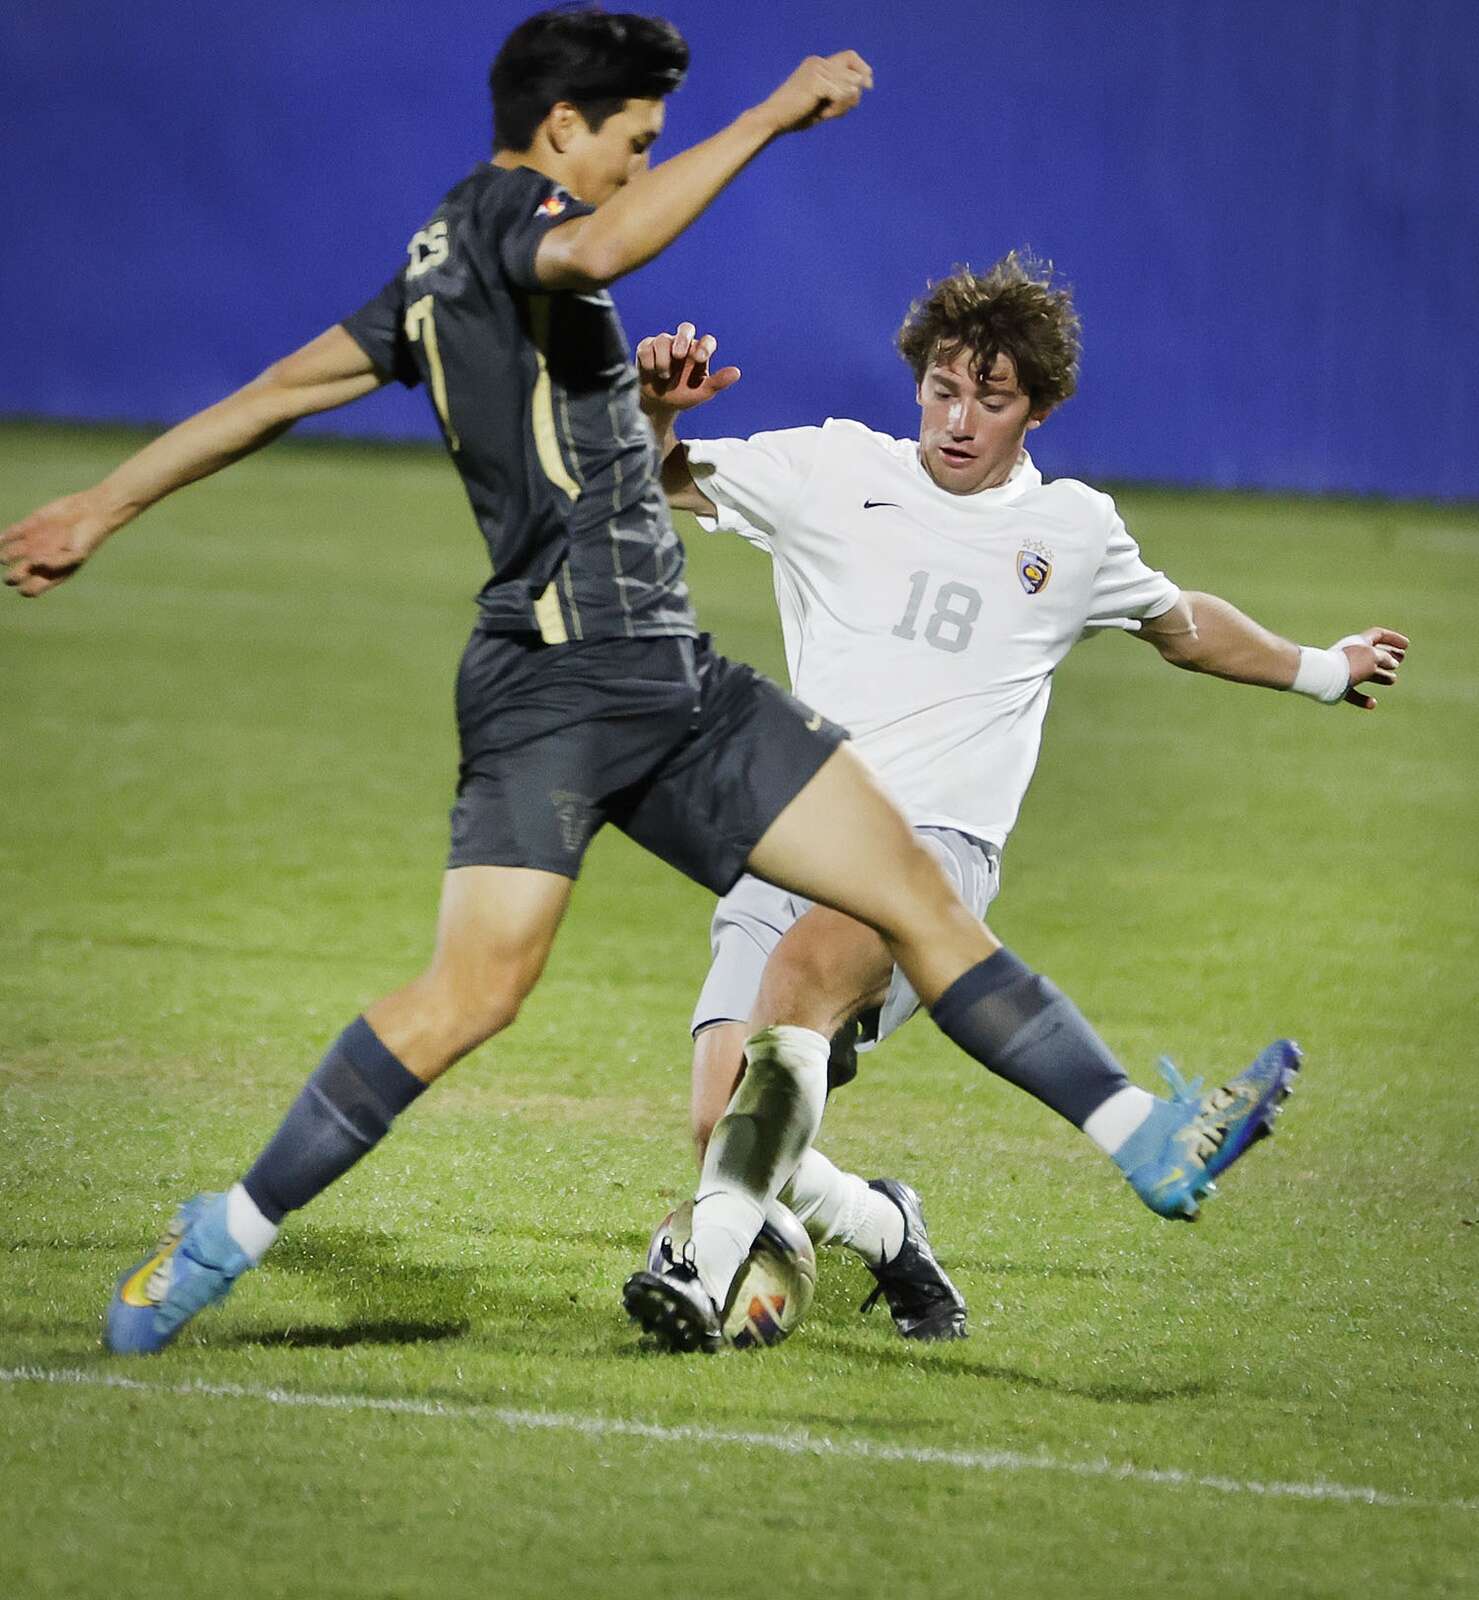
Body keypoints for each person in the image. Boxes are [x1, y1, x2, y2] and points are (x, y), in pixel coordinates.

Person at [0, 10, 1305, 1363]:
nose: (636, 167)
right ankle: (230, 1225)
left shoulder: (432, 269)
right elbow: (597, 244)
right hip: (562, 689)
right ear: (562, 131)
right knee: (471, 997)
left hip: (665, 684)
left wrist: (101, 503)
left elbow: (279, 388)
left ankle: (1145, 1142)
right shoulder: (522, 219)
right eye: (634, 141)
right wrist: (770, 115)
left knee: (906, 894)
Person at [630, 254, 1408, 1341]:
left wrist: (1322, 668)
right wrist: (653, 409)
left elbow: (1181, 623)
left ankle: (697, 1280)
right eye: (944, 391)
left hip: (929, 848)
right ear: (918, 386)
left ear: (1034, 408)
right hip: (790, 830)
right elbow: (652, 477)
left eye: (990, 401)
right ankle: (889, 1230)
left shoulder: (1074, 533)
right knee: (726, 1126)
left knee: (807, 982)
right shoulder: (831, 469)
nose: (959, 420)